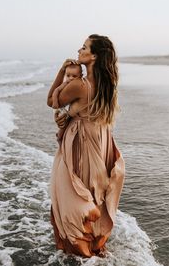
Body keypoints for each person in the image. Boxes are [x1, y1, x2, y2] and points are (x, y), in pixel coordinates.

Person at [47, 34, 125, 257]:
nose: (79, 50)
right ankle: (96, 244)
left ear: (94, 56)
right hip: (101, 139)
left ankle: (81, 248)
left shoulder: (79, 85)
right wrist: (69, 114)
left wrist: (62, 71)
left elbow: (51, 101)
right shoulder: (107, 84)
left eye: (84, 47)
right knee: (94, 189)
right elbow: (86, 110)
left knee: (71, 190)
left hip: (82, 142)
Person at [52, 63, 83, 142]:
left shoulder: (80, 84)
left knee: (69, 120)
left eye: (74, 76)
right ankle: (59, 136)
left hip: (68, 107)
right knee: (64, 122)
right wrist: (55, 102)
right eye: (68, 76)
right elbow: (56, 90)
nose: (70, 78)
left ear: (81, 76)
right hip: (61, 107)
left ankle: (60, 134)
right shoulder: (66, 83)